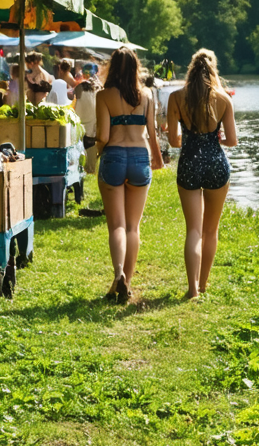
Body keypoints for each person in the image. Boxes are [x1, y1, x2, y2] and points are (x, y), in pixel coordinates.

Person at [95, 47, 165, 303]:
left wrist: (100, 155)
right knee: (133, 227)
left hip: (114, 155)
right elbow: (152, 132)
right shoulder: (146, 95)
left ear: (112, 67)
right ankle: (129, 282)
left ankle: (118, 274)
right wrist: (158, 159)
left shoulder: (103, 96)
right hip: (138, 157)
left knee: (117, 225)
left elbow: (102, 136)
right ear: (136, 68)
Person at [166, 49, 238, 300]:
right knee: (211, 230)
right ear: (213, 70)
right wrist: (217, 137)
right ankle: (204, 283)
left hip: (189, 164)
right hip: (217, 164)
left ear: (190, 69)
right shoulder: (224, 98)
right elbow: (232, 140)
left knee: (193, 231)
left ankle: (193, 289)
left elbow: (174, 142)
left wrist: (185, 136)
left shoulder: (175, 97)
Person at [73, 78, 99, 175]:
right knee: (90, 168)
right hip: (92, 133)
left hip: (81, 132)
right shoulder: (96, 94)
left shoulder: (80, 93)